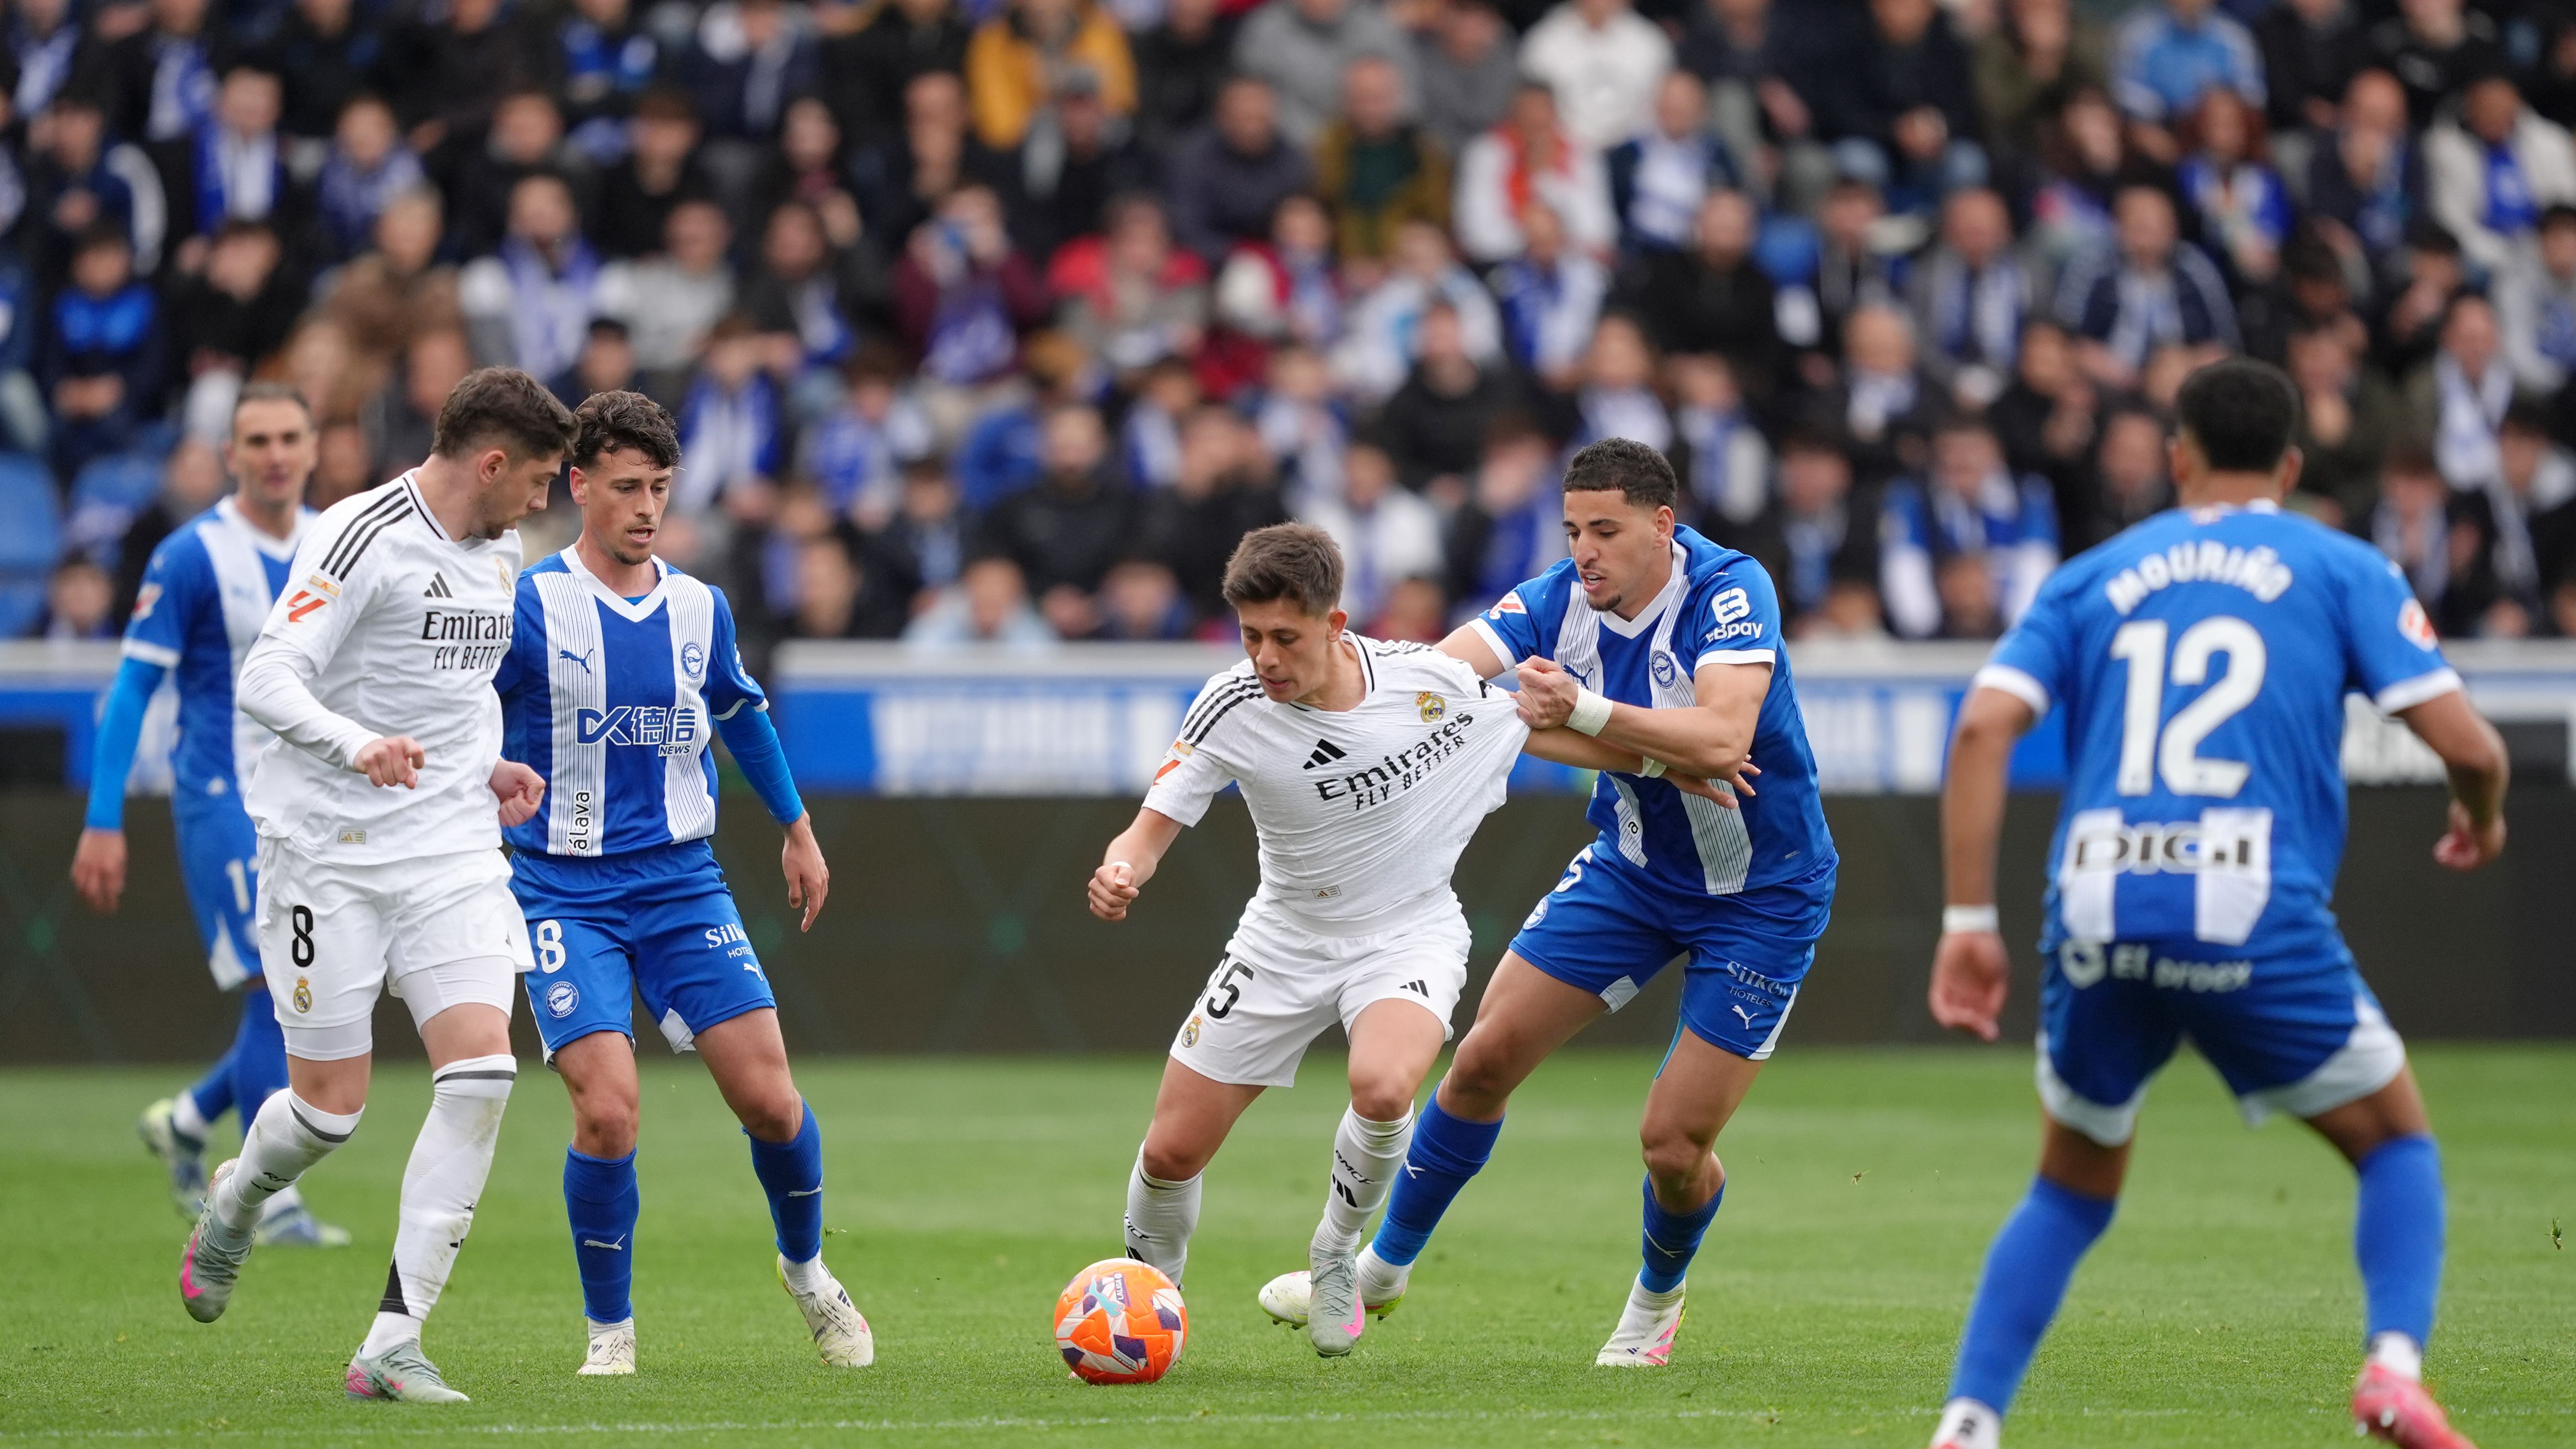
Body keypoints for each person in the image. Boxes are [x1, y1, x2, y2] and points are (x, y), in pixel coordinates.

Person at [1922, 358, 2507, 1449]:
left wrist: (1967, 925)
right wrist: (2485, 812)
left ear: (2178, 455)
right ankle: (2391, 1370)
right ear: (2289, 467)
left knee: (2071, 1184)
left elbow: (1980, 729)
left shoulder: (2092, 574)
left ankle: (1967, 1422)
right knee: (2395, 1147)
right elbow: (2469, 746)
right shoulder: (2341, 566)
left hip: (2094, 898)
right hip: (2245, 896)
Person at [1088, 521, 1727, 1356]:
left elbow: (1530, 728)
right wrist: (1120, 867)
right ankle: (1148, 1305)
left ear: (1335, 624)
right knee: (1171, 1150)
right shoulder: (1229, 704)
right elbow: (1149, 827)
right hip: (1281, 938)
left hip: (1407, 934)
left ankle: (1332, 1254)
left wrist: (1661, 762)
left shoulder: (1426, 683)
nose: (1266, 657)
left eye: (1285, 636)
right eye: (1251, 637)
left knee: (1385, 1087)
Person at [1312, 437, 1834, 1366]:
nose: (1583, 550)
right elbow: (1443, 687)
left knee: (1672, 1144)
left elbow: (1720, 741)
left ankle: (1655, 1299)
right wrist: (1367, 692)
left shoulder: (1728, 587)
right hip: (1633, 872)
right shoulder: (1557, 598)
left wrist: (1578, 714)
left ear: (1660, 527)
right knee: (1480, 1059)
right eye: (1571, 529)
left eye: (1604, 530)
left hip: (1762, 896)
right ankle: (1379, 1269)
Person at [175, 368, 570, 1404]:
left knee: (483, 1072)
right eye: (534, 480)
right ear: (489, 463)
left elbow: (461, 690)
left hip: (449, 850)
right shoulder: (362, 534)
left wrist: (483, 764)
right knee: (328, 1112)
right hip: (329, 851)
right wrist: (358, 747)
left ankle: (394, 1340)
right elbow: (266, 676)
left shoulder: (502, 551)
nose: (542, 502)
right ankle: (239, 1195)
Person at [488, 392, 869, 1377]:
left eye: (659, 486)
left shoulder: (699, 605)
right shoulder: (528, 603)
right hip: (561, 889)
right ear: (578, 486)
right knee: (608, 1111)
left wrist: (798, 828)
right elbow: (459, 715)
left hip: (682, 883)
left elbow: (740, 715)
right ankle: (608, 1333)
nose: (646, 506)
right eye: (626, 487)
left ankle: (807, 1271)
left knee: (773, 1104)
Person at [74, 385, 347, 1248]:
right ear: (229, 454)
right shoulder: (190, 555)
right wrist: (103, 815)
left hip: (317, 801)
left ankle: (191, 1118)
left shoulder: (338, 545)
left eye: (288, 438)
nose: (274, 453)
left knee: (321, 988)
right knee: (280, 986)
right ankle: (269, 1196)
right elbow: (132, 689)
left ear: (313, 448)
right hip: (223, 798)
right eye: (256, 439)